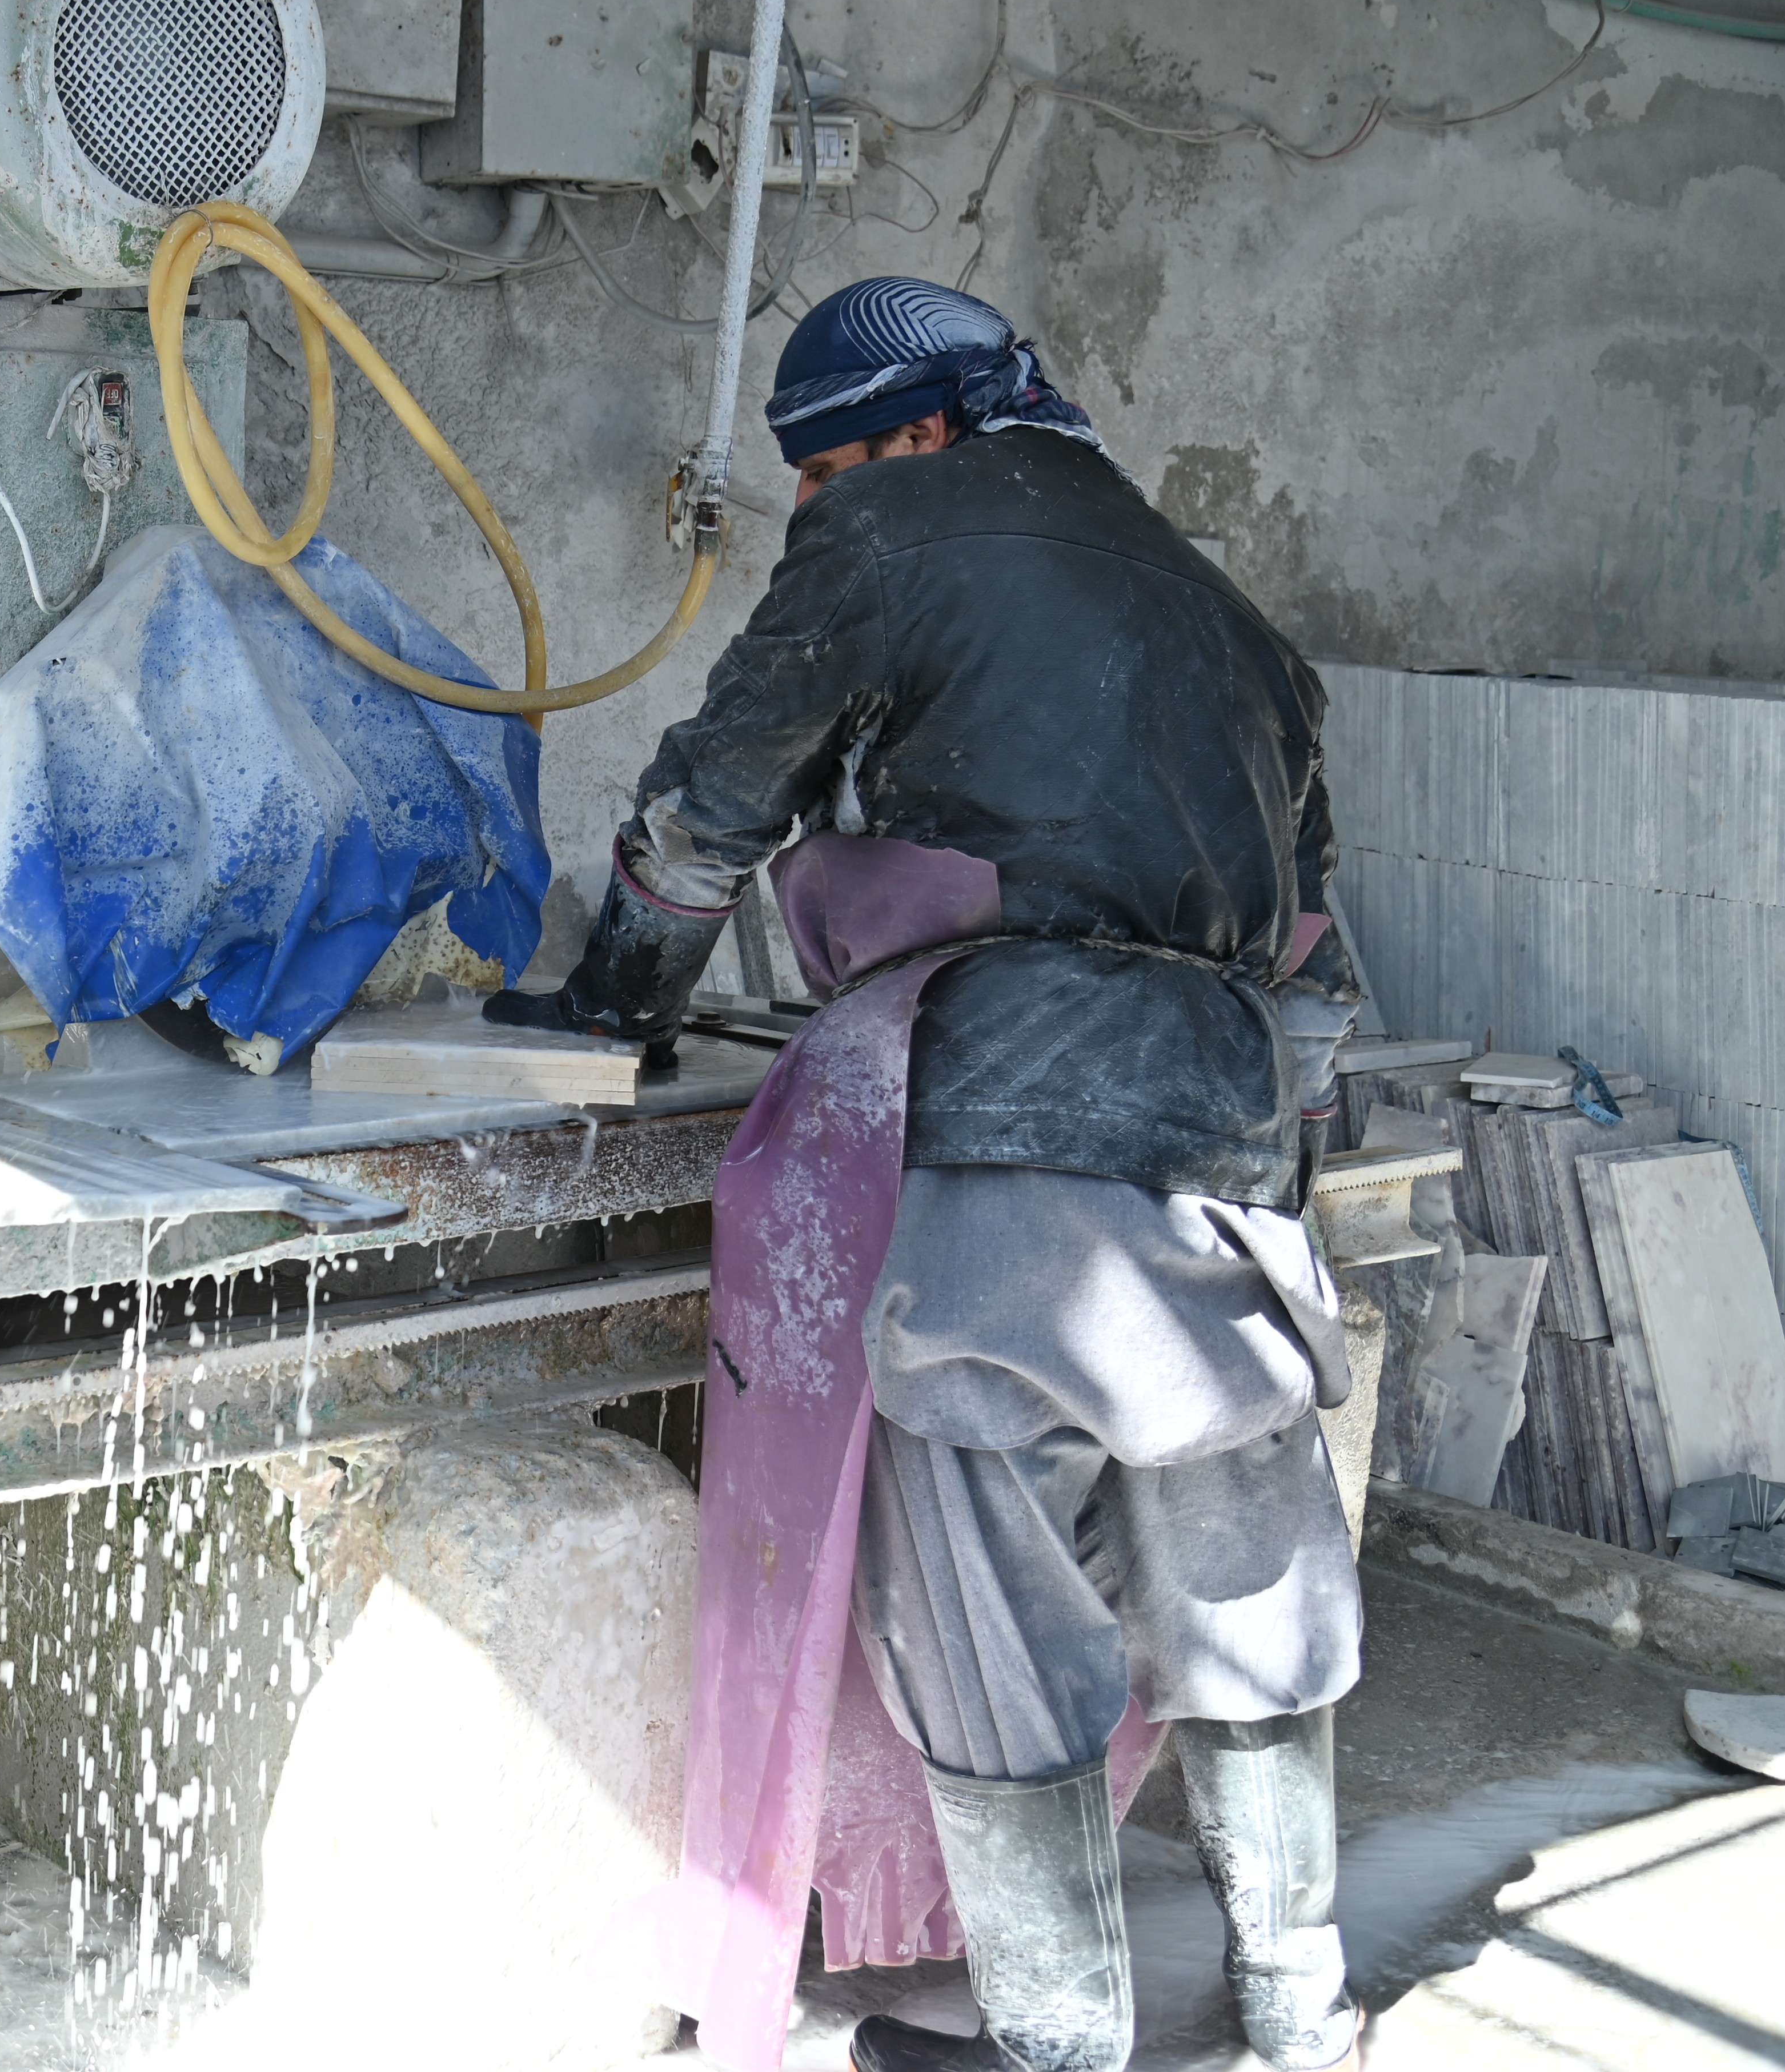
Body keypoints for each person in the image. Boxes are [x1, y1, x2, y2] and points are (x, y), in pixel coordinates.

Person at [492, 278, 1369, 2072]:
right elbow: (1314, 956)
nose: (816, 504)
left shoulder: (897, 529)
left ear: (922, 430)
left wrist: (611, 1006)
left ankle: (1053, 2042)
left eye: (829, 465)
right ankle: (1304, 2012)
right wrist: (1258, 1153)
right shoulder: (1241, 627)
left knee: (988, 1609)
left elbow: (718, 799)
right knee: (1244, 1579)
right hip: (1230, 1147)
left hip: (1010, 1154)